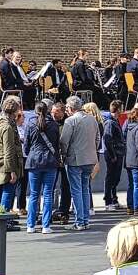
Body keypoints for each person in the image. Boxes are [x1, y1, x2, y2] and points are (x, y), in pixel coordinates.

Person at [60, 96, 100, 230]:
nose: (66, 110)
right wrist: (93, 151)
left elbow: (64, 141)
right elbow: (98, 138)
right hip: (90, 158)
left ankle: (80, 222)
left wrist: (64, 155)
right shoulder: (92, 119)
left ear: (71, 108)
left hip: (75, 159)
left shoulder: (70, 121)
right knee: (85, 189)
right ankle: (85, 220)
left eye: (67, 107)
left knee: (77, 190)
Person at [23, 100, 61, 233]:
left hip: (34, 161)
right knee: (48, 194)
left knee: (34, 194)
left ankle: (30, 225)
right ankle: (46, 225)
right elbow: (57, 145)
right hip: (50, 162)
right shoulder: (54, 125)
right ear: (47, 110)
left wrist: (31, 153)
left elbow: (26, 145)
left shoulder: (30, 124)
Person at [0, 96, 24, 212]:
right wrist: (12, 171)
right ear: (13, 112)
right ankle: (4, 219)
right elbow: (9, 151)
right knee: (7, 191)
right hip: (5, 165)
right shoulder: (7, 127)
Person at [51, 102, 72, 224]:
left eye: (56, 112)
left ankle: (64, 211)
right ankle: (52, 211)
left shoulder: (68, 123)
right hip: (53, 159)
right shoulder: (50, 122)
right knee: (51, 186)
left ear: (63, 112)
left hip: (65, 158)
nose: (53, 114)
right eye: (53, 111)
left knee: (66, 186)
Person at [103, 100, 125, 211]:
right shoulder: (110, 122)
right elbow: (107, 139)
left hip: (117, 152)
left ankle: (114, 199)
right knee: (111, 177)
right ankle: (108, 201)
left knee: (116, 177)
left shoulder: (114, 121)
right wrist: (113, 155)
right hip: (113, 153)